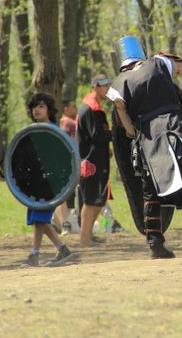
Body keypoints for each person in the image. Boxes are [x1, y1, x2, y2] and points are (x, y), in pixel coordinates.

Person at [107, 36, 182, 259]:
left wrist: (133, 132)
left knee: (150, 191)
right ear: (141, 52)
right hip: (175, 127)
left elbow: (122, 114)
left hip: (148, 137)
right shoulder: (159, 62)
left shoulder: (118, 83)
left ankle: (155, 243)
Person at [23, 93, 74, 267]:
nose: (37, 110)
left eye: (41, 106)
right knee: (39, 220)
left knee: (40, 218)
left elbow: (62, 159)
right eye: (34, 107)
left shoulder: (55, 133)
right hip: (35, 185)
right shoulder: (31, 132)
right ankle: (62, 249)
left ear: (49, 110)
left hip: (50, 185)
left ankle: (34, 255)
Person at [76, 75, 112, 247]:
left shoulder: (92, 107)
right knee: (90, 201)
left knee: (98, 199)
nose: (108, 88)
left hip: (96, 159)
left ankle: (88, 235)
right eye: (105, 86)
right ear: (96, 86)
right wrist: (116, 135)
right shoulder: (92, 108)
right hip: (91, 162)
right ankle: (84, 238)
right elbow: (97, 135)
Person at [56, 99, 79, 233]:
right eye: (73, 107)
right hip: (68, 163)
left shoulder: (61, 123)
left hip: (63, 162)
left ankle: (63, 223)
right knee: (64, 194)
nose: (75, 109)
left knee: (63, 194)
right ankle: (65, 224)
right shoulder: (69, 123)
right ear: (65, 109)